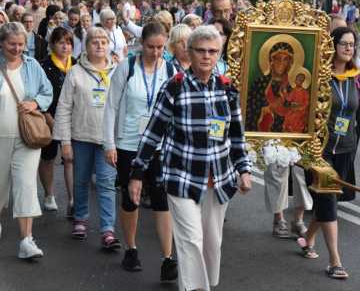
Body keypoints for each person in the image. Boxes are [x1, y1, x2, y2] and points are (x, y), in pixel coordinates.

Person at [128, 25, 252, 291]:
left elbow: (237, 135)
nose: (207, 56)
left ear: (219, 54)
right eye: (201, 51)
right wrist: (137, 174)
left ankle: (206, 284)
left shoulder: (227, 88)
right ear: (189, 52)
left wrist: (244, 170)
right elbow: (153, 133)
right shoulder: (174, 87)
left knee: (211, 243)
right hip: (181, 177)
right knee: (190, 241)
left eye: (213, 51)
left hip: (218, 179)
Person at [103, 22, 177, 280]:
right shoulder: (128, 67)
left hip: (158, 144)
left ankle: (168, 258)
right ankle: (131, 248)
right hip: (128, 142)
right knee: (130, 198)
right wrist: (109, 143)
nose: (156, 52)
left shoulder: (169, 68)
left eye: (160, 47)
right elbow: (111, 106)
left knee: (161, 199)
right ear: (141, 43)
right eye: (150, 47)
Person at [298, 27, 360, 279]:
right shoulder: (320, 77)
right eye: (344, 43)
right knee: (327, 199)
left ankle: (307, 238)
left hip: (346, 147)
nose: (348, 48)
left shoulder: (357, 78)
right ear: (332, 46)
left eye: (352, 44)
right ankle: (335, 261)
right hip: (320, 150)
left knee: (331, 200)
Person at [53, 27, 120, 248]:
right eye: (95, 42)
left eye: (103, 41)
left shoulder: (118, 70)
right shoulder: (75, 71)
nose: (100, 45)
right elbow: (63, 107)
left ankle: (107, 229)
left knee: (106, 182)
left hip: (108, 140)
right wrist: (65, 142)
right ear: (87, 45)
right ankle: (80, 217)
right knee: (81, 180)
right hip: (81, 137)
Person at [0, 22, 53, 258]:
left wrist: (36, 103)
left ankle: (26, 241)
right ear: (2, 43)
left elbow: (47, 92)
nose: (17, 48)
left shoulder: (32, 66)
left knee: (26, 186)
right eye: (12, 44)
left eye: (21, 44)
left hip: (27, 138)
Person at [39, 27, 75, 215]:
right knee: (48, 158)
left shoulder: (77, 65)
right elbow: (38, 94)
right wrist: (48, 118)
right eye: (61, 42)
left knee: (70, 159)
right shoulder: (44, 66)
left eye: (68, 43)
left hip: (73, 121)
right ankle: (49, 194)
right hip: (50, 119)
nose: (65, 46)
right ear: (52, 44)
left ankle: (72, 199)